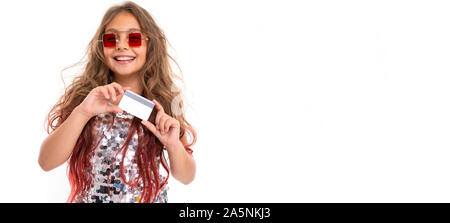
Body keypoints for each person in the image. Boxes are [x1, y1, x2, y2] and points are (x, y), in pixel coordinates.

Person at [38, 1, 197, 203]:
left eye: (134, 37)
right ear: (102, 47)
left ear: (151, 44)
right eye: (112, 38)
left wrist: (173, 145)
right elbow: (46, 162)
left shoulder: (163, 103)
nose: (122, 45)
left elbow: (187, 177)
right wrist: (83, 112)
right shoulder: (85, 98)